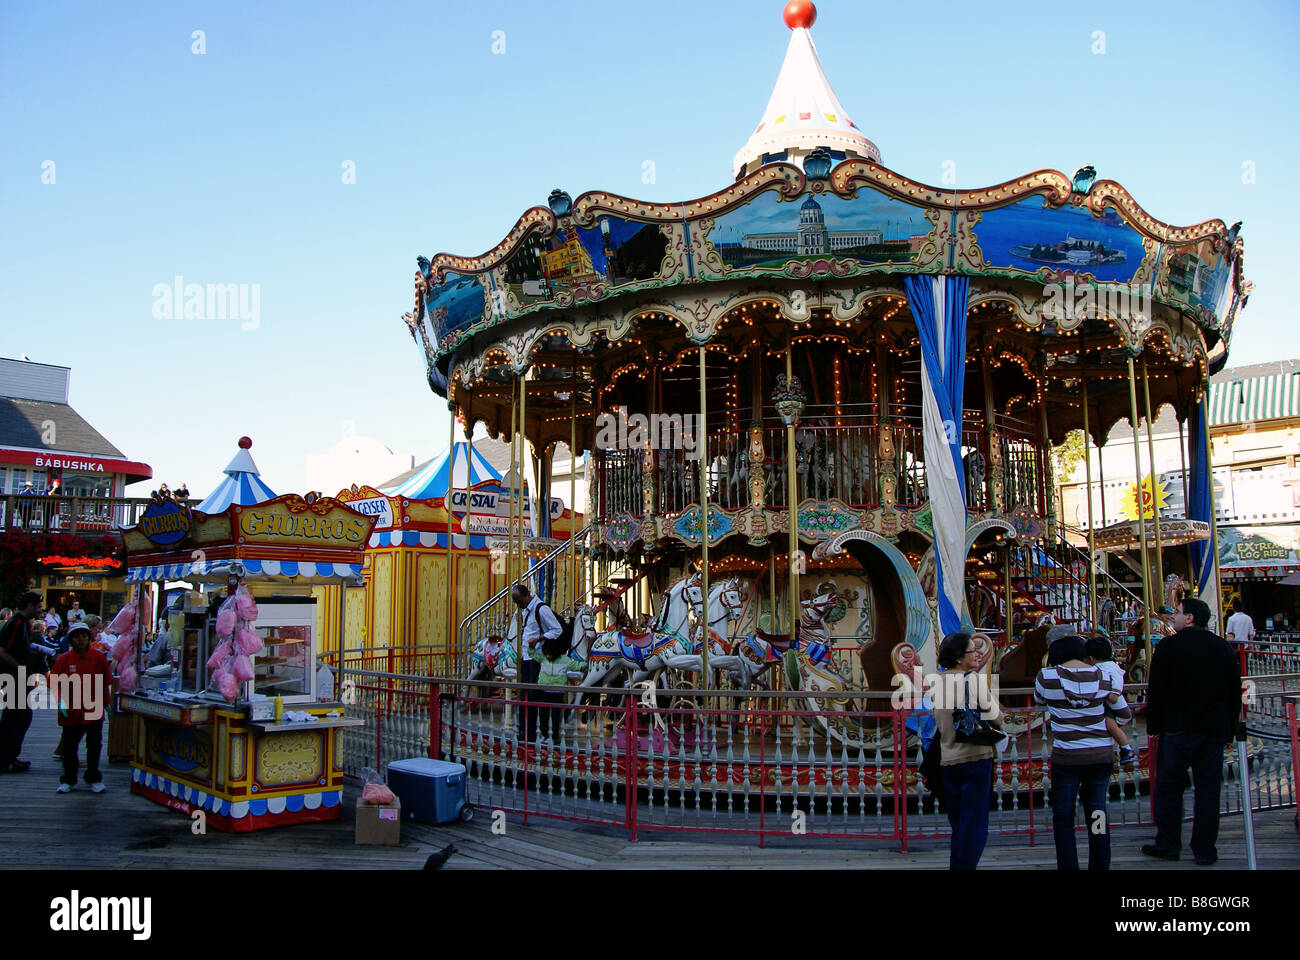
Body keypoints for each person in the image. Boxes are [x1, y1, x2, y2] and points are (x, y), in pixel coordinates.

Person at [1142, 596, 1240, 866]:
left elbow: (1157, 689)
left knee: (1169, 787)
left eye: (1178, 612)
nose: (1173, 616)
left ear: (1190, 618)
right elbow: (1234, 690)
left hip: (1178, 727)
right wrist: (1230, 727)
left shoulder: (1170, 646)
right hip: (1212, 728)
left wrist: (1154, 725)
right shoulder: (1222, 647)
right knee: (1208, 790)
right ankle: (1205, 849)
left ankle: (1169, 843)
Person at [1035, 633, 1131, 870]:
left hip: (1066, 756)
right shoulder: (1103, 676)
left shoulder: (1047, 677)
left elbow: (1040, 703)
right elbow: (1124, 714)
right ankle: (1099, 864)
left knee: (1064, 815)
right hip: (1099, 754)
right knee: (1098, 811)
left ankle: (1068, 865)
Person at [932, 630, 1003, 871]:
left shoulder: (936, 681)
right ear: (959, 658)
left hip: (948, 758)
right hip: (975, 756)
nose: (977, 654)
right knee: (975, 824)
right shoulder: (971, 680)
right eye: (972, 651)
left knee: (959, 824)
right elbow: (996, 718)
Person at [50, 622, 112, 794]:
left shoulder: (99, 658)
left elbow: (104, 683)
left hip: (93, 707)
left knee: (94, 744)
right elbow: (54, 683)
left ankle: (94, 778)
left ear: (88, 637)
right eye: (77, 636)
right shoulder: (63, 660)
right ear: (71, 639)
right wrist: (61, 704)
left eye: (84, 636)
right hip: (71, 709)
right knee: (69, 746)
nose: (81, 639)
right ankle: (68, 779)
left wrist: (107, 704)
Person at [510, 583, 562, 742]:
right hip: (526, 657)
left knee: (535, 696)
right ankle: (526, 732)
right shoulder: (526, 610)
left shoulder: (541, 609)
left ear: (526, 596)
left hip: (537, 659)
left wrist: (539, 639)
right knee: (524, 696)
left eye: (519, 601)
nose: (518, 605)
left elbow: (557, 630)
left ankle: (541, 732)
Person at [0, 592, 42, 773]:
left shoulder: (23, 623)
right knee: (15, 718)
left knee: (20, 717)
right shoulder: (16, 622)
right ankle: (5, 759)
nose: (40, 610)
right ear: (30, 606)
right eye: (38, 607)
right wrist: (21, 670)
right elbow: (2, 651)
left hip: (19, 676)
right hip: (13, 677)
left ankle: (10, 757)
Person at [1084, 635, 1136, 766]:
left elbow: (1114, 692)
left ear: (1090, 658)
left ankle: (1126, 749)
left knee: (1109, 725)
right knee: (1105, 725)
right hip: (1114, 707)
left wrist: (1109, 693)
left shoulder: (1105, 668)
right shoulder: (1108, 666)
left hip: (1119, 710)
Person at [532, 633, 581, 746]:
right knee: (543, 714)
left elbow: (576, 665)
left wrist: (586, 665)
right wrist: (531, 645)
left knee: (555, 715)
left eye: (550, 653)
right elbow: (532, 654)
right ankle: (544, 734)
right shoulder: (543, 658)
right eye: (547, 653)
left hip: (557, 691)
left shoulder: (564, 660)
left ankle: (554, 736)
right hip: (544, 689)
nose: (548, 656)